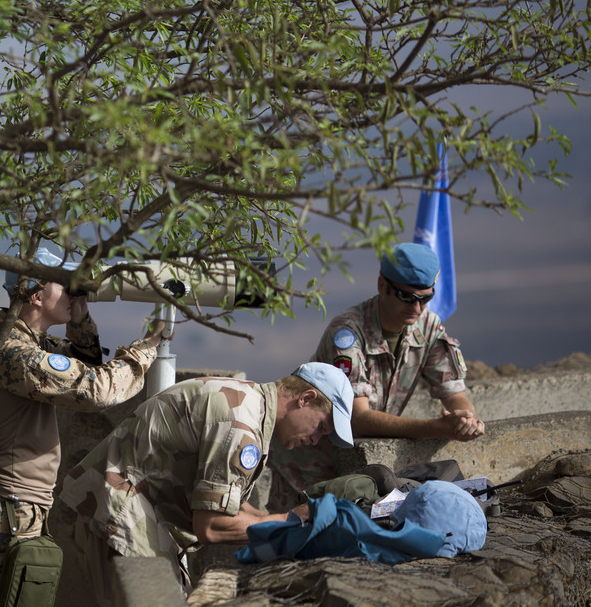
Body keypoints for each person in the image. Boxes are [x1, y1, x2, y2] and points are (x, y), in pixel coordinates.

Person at [0, 247, 170, 606]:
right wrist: (148, 348)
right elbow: (95, 389)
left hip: (14, 503)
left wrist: (80, 317)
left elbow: (80, 360)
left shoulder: (18, 338)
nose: (75, 290)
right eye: (65, 284)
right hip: (8, 508)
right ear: (37, 295)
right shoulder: (15, 353)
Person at [59, 362, 356, 605]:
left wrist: (270, 520)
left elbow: (228, 501)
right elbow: (212, 525)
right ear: (305, 399)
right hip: (124, 516)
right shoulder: (240, 427)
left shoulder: (248, 403)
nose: (316, 440)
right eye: (321, 427)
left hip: (132, 514)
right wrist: (291, 522)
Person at [267, 242, 485, 510]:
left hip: (356, 467)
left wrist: (465, 418)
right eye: (406, 296)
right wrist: (436, 428)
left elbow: (454, 393)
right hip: (307, 460)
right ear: (382, 286)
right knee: (287, 536)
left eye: (425, 298)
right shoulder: (348, 332)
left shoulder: (427, 326)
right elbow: (357, 418)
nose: (416, 308)